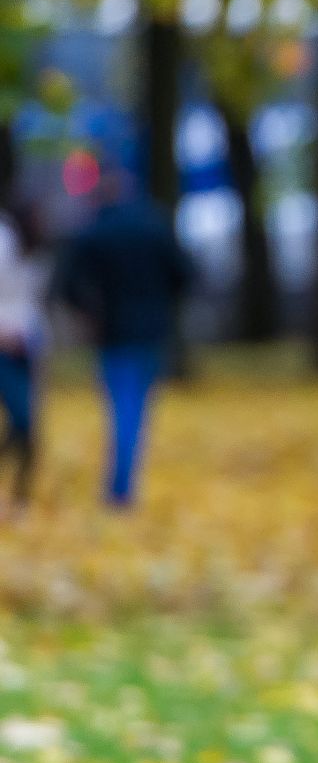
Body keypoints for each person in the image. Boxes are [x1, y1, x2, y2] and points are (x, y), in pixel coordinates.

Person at [52, 167, 196, 509]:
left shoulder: (94, 233)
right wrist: (161, 302)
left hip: (112, 332)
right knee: (137, 407)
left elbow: (66, 284)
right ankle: (123, 485)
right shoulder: (154, 226)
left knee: (121, 406)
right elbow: (184, 273)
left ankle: (120, 486)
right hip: (150, 331)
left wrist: (89, 312)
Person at [0, 199, 51, 516]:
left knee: (29, 424)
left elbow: (34, 302)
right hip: (6, 344)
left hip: (29, 342)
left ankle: (21, 496)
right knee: (23, 419)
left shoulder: (34, 248)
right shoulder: (4, 241)